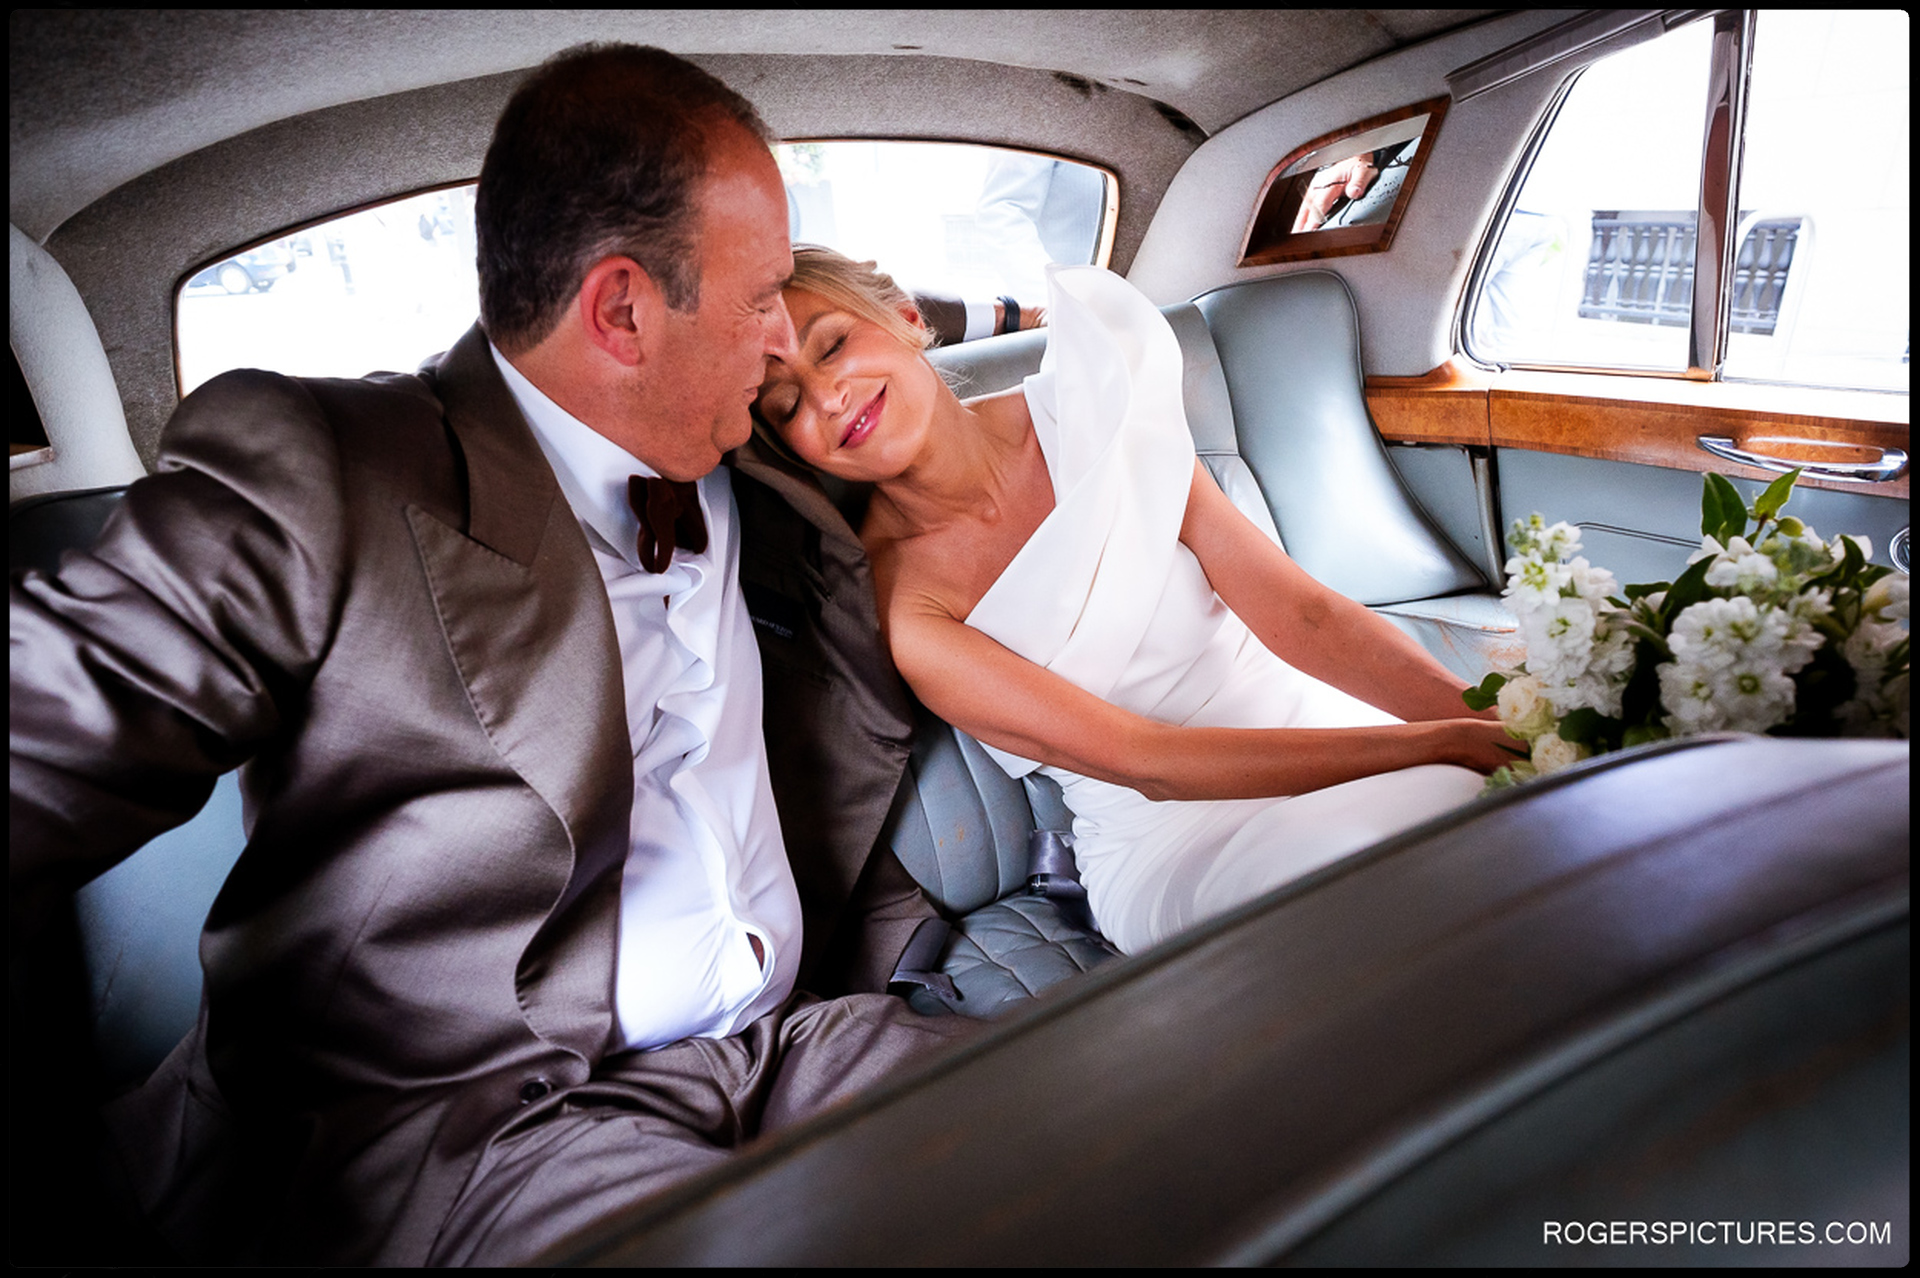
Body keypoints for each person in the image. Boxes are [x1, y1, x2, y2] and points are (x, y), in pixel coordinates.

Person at [9, 46, 973, 1267]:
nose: (786, 344)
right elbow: (43, 736)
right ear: (622, 309)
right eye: (760, 298)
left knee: (1117, 1135)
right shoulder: (331, 476)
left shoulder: (767, 463)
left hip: (798, 1037)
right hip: (488, 1124)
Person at [753, 248, 1516, 956]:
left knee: (1508, 811)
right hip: (1178, 837)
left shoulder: (1091, 413)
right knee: (1401, 859)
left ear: (907, 320)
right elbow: (1145, 761)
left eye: (832, 345)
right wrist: (1438, 744)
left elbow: (1303, 614)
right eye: (784, 405)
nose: (826, 398)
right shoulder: (904, 606)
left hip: (1324, 730)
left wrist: (1495, 723)